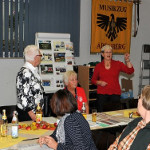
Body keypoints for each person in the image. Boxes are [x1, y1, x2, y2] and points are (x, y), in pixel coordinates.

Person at [91, 45, 134, 112]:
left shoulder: (117, 64)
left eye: (110, 52)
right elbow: (93, 80)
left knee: (115, 115)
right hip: (102, 95)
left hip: (115, 94)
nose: (108, 54)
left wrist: (127, 61)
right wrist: (99, 82)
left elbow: (130, 71)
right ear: (102, 54)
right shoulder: (98, 66)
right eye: (107, 52)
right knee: (101, 115)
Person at [108, 85, 150, 150]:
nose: (138, 100)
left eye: (140, 97)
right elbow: (114, 145)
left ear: (145, 102)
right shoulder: (135, 123)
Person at [16, 45, 44, 121]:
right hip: (28, 114)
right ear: (36, 57)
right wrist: (32, 115)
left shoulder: (33, 71)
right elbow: (23, 96)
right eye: (40, 55)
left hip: (36, 112)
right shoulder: (25, 72)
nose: (41, 57)